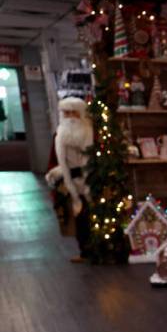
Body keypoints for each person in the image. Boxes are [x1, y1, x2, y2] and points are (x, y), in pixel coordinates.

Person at [45, 96, 94, 262]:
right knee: (79, 217)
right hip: (71, 180)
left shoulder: (88, 132)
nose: (70, 117)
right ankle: (85, 250)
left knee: (89, 215)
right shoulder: (60, 135)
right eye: (66, 113)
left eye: (73, 113)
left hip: (90, 178)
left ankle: (94, 248)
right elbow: (59, 161)